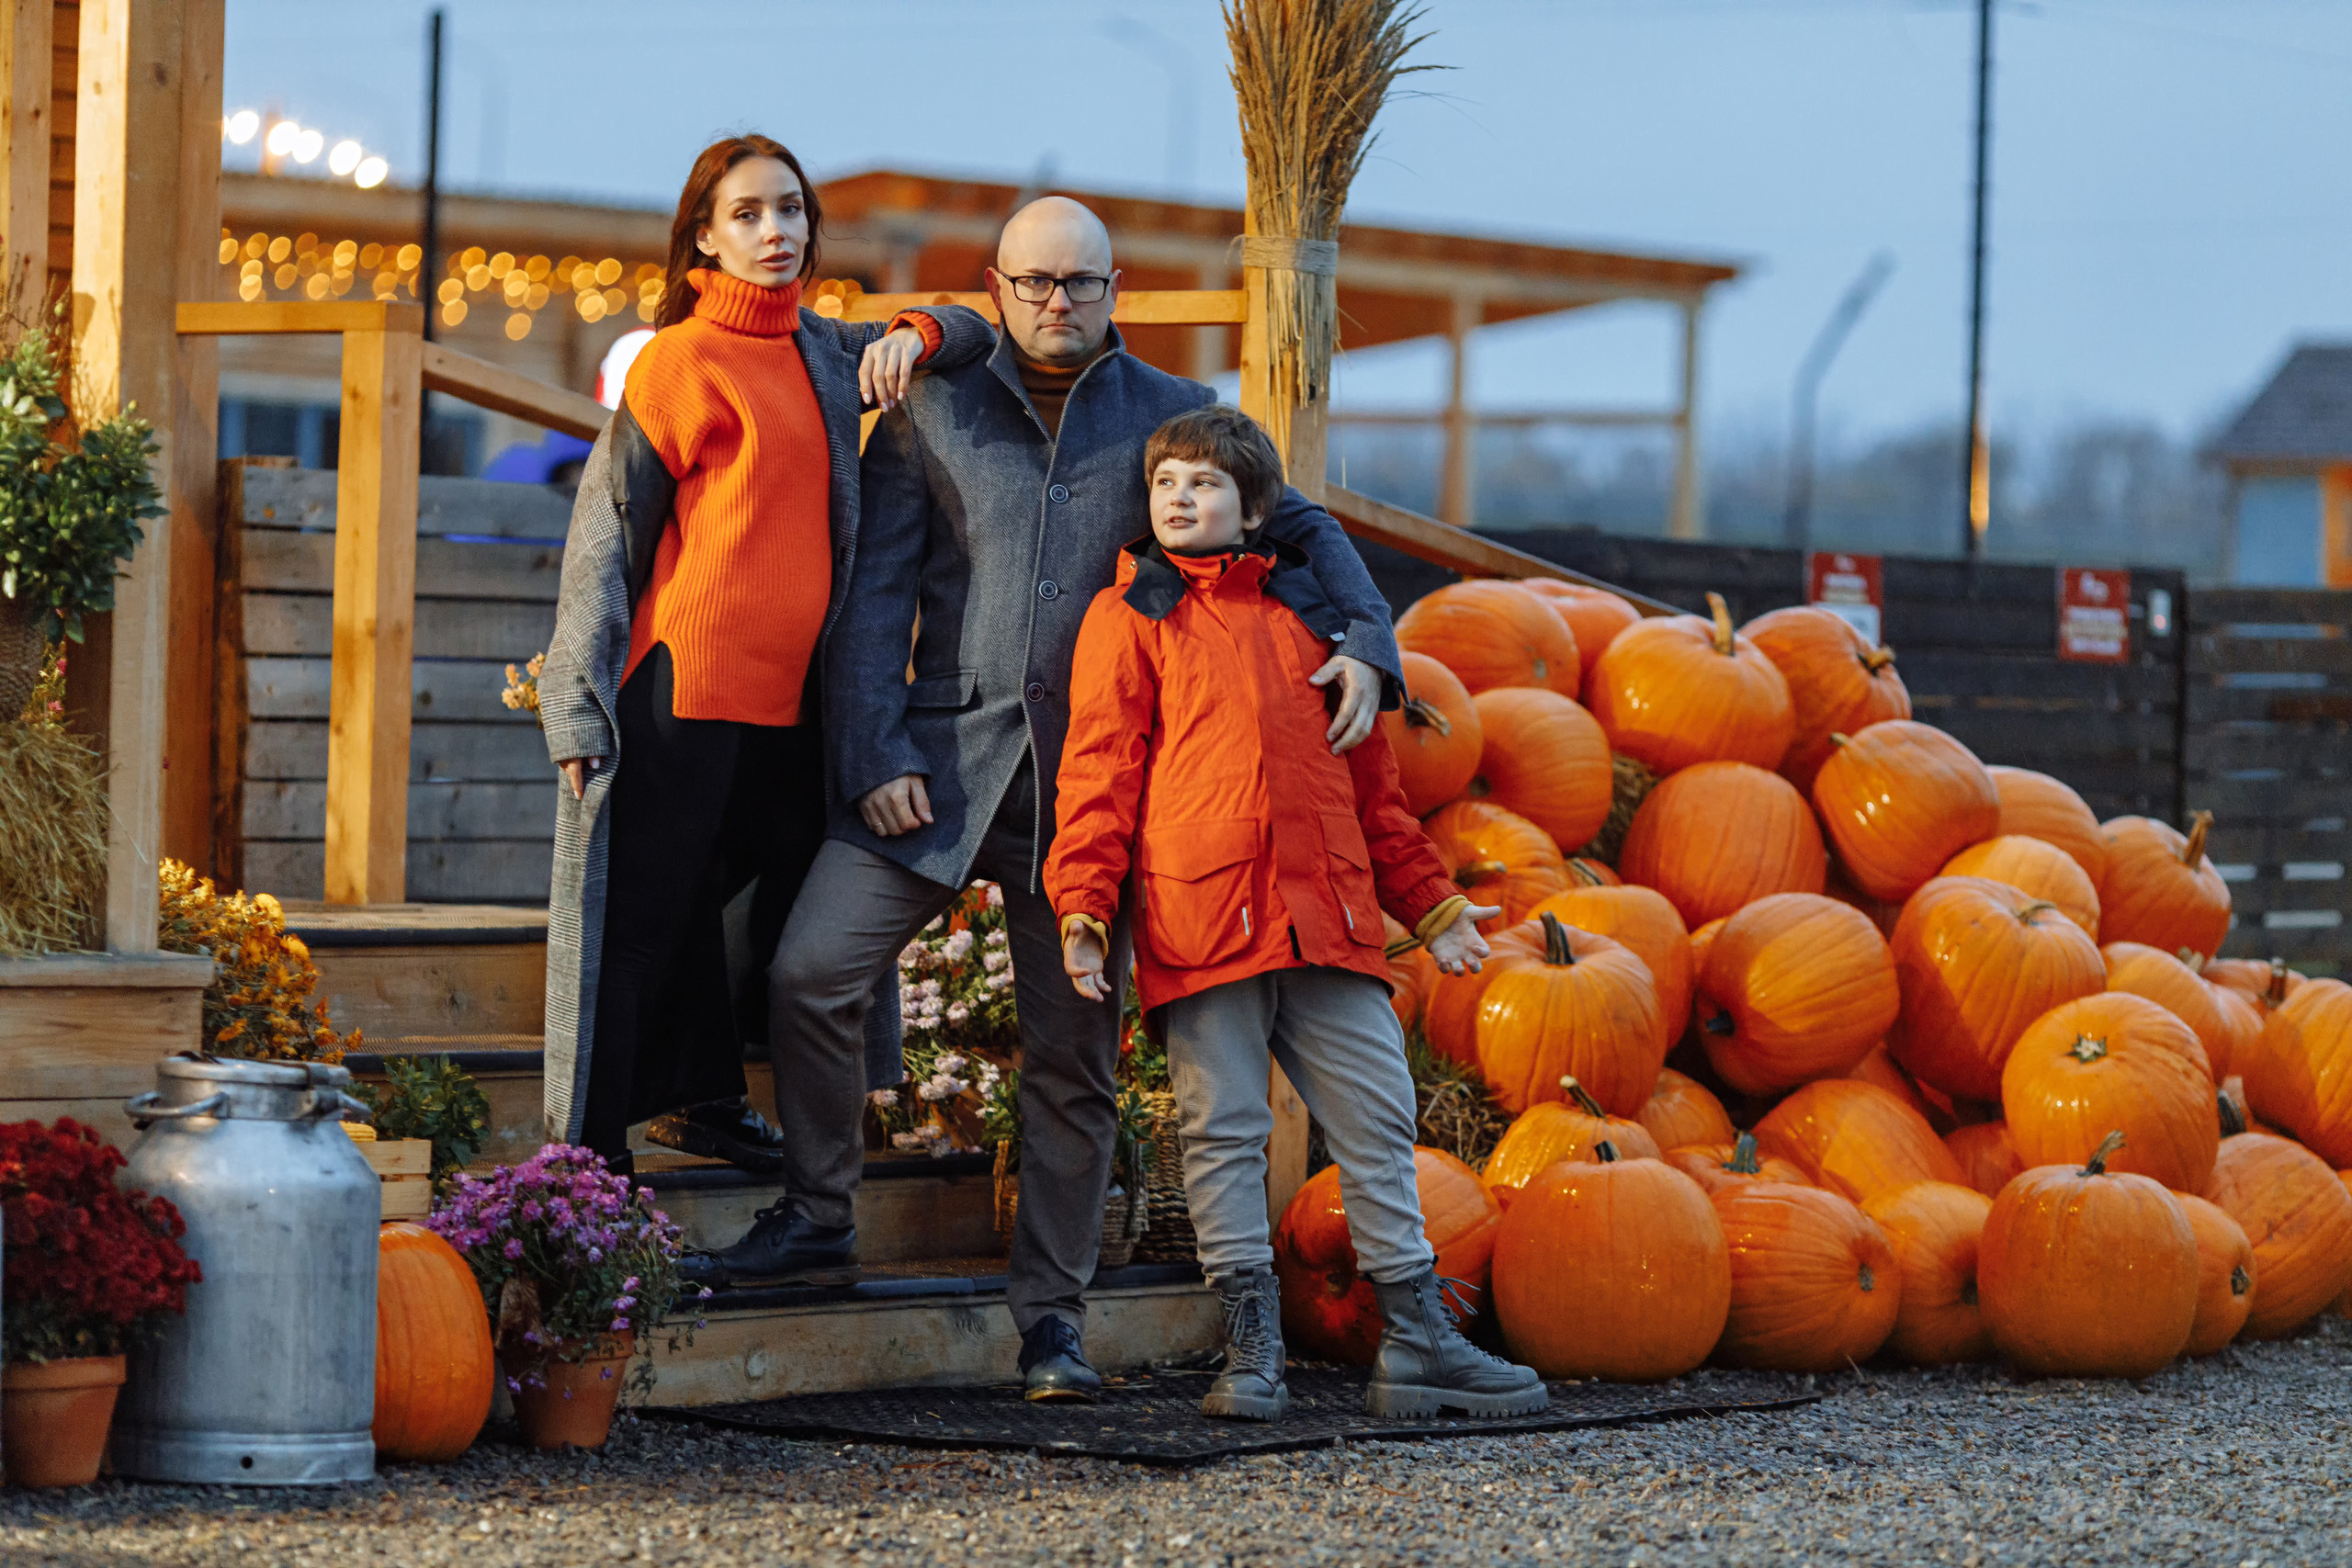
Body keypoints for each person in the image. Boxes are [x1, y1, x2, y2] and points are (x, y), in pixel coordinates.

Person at [680, 197, 1404, 1404]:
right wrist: (873, 753)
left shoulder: (1171, 409)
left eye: (1080, 283)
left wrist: (1370, 639)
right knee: (811, 969)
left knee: (1072, 1062)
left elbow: (1302, 523)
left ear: (1114, 288)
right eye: (1034, 283)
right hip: (936, 768)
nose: (1057, 302)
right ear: (996, 288)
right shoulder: (935, 402)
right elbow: (873, 596)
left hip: (1098, 791)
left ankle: (1053, 1324)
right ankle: (818, 1213)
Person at [1045, 404, 1549, 1421]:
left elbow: (1374, 794)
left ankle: (1414, 1341)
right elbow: (1098, 772)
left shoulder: (1312, 615)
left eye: (1204, 484)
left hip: (1328, 913)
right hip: (1205, 914)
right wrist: (1085, 904)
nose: (1180, 499)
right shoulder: (1131, 614)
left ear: (1254, 509)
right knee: (1222, 1131)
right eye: (1165, 484)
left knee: (1377, 1116)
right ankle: (1250, 1351)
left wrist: (1431, 903)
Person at [536, 135, 992, 1183]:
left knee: (768, 903)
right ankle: (590, 1167)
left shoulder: (828, 354)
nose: (775, 231)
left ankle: (704, 1100)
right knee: (644, 924)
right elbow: (605, 534)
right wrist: (575, 701)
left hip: (798, 705)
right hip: (683, 689)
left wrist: (915, 332)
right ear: (704, 236)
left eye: (790, 209)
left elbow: (975, 330)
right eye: (746, 214)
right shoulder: (677, 359)